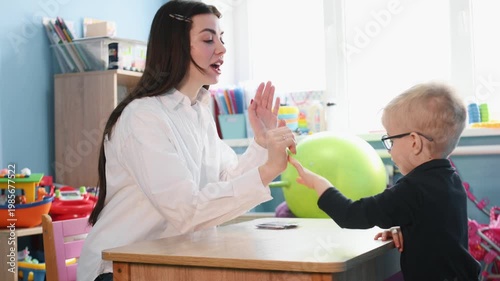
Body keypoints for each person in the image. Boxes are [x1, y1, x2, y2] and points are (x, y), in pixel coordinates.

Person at [77, 1, 296, 281]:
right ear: (176, 46)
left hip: (169, 265)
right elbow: (188, 211)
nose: (222, 49)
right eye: (208, 39)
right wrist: (268, 169)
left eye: (221, 39)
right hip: (118, 270)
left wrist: (261, 144)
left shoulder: (198, 111)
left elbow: (226, 180)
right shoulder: (143, 117)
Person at [288, 82, 481, 281]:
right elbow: (437, 229)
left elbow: (352, 215)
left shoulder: (411, 189)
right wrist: (408, 229)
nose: (390, 149)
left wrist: (319, 184)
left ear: (414, 142)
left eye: (391, 140)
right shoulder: (451, 180)